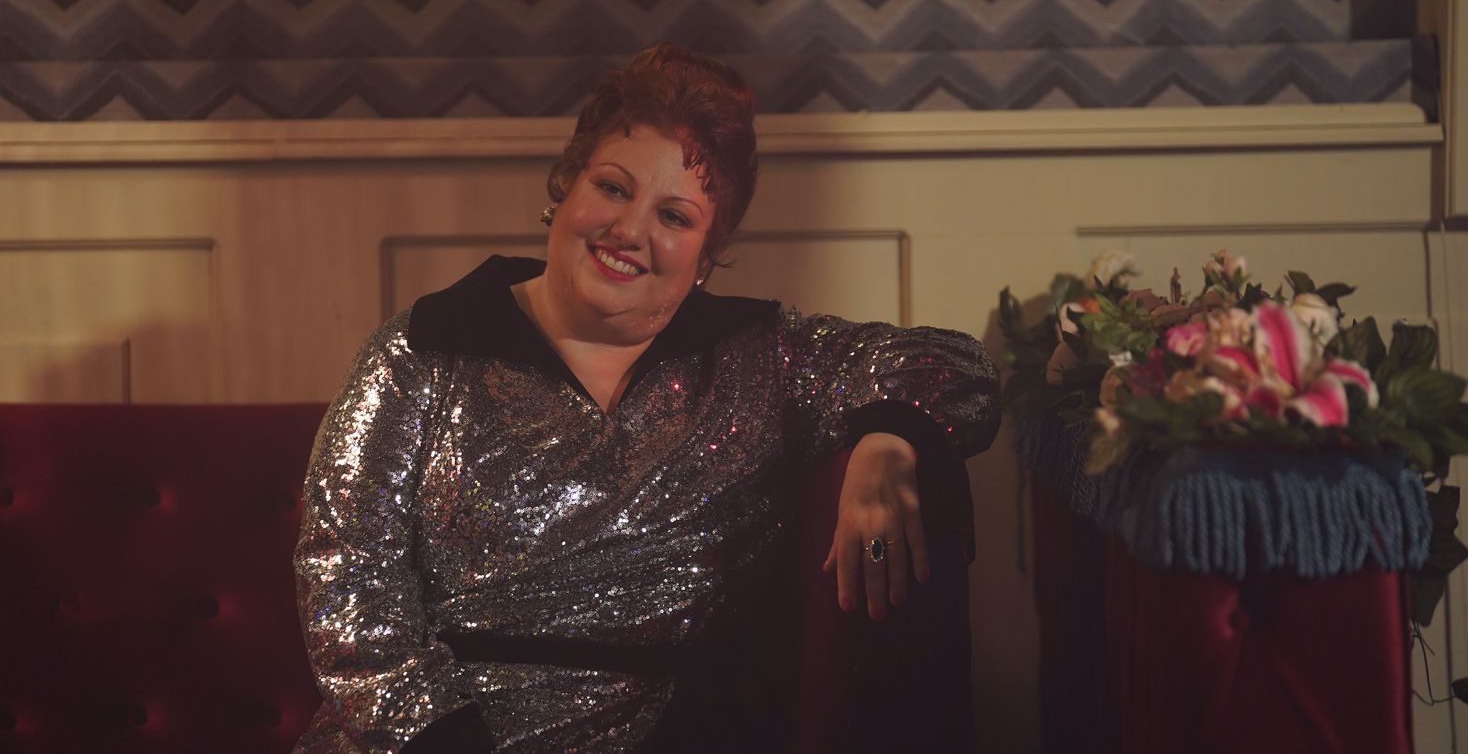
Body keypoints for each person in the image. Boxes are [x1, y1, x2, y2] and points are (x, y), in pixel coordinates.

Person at [294, 44, 1000, 753]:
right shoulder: (422, 349)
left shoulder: (762, 356)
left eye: (675, 217)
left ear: (707, 252)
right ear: (564, 187)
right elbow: (346, 585)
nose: (630, 231)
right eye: (612, 188)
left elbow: (958, 367)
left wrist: (887, 442)